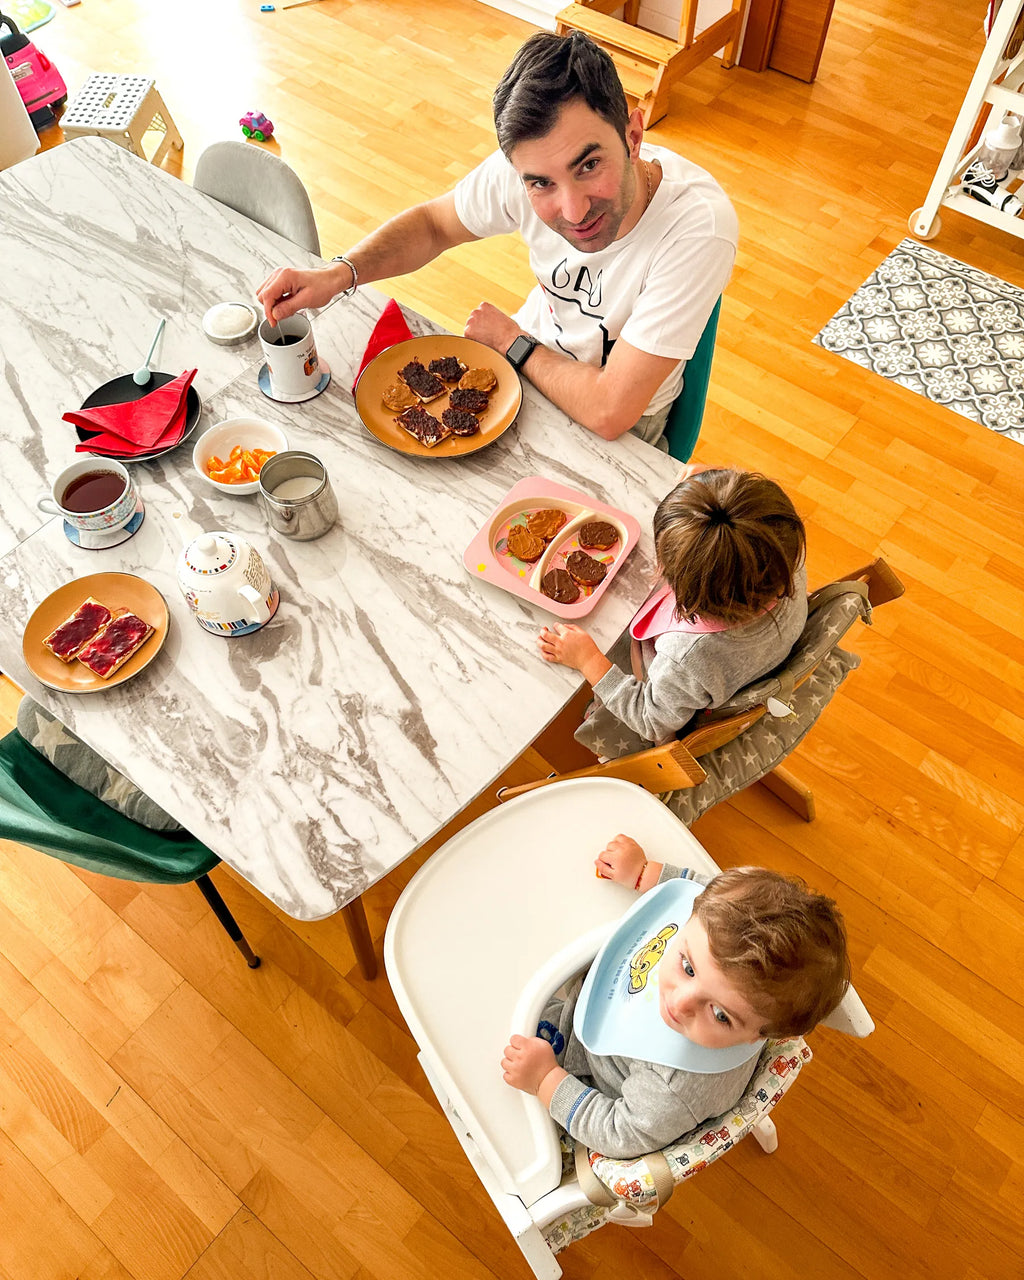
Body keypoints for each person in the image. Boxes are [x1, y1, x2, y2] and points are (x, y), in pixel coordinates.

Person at [255, 31, 737, 447]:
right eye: (540, 184)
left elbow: (611, 410)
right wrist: (339, 274)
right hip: (522, 368)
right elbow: (433, 224)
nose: (573, 211)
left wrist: (513, 341)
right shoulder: (529, 164)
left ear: (634, 135)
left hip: (615, 423)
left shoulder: (699, 228)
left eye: (589, 166)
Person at [500, 838, 850, 1159]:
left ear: (763, 1034)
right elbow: (701, 890)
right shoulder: (717, 927)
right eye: (688, 967)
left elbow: (618, 1133)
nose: (681, 1003)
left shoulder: (676, 1087)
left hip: (580, 1050)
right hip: (612, 970)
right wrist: (645, 874)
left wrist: (546, 1079)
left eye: (720, 1015)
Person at [538, 466, 808, 758]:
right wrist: (711, 496)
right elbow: (746, 532)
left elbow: (651, 720)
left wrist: (588, 660)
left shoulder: (687, 657)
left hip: (664, 696)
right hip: (755, 657)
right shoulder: (783, 558)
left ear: (684, 592)